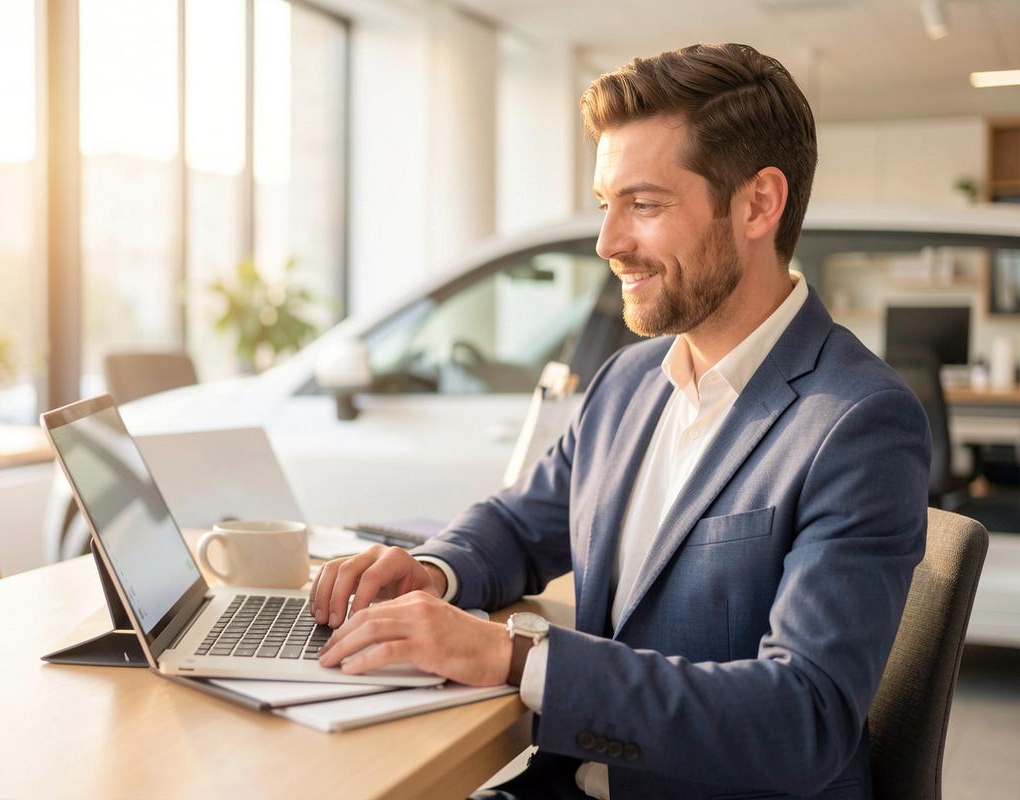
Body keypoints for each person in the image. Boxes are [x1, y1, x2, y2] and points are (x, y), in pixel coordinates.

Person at [309, 42, 931, 800]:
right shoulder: (630, 380)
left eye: (644, 205)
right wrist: (435, 571)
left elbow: (805, 718)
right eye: (607, 204)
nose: (608, 244)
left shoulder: (858, 422)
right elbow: (522, 524)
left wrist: (514, 657)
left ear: (758, 204)